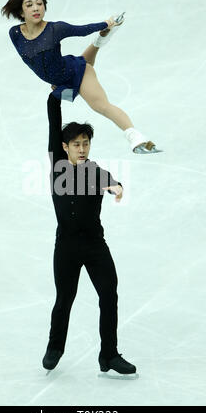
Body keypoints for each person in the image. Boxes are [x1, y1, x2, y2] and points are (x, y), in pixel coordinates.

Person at [42, 89, 137, 376]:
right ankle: (55, 347)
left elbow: (108, 179)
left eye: (86, 143)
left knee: (109, 295)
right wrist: (59, 93)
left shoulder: (94, 170)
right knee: (64, 300)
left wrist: (117, 185)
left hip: (95, 246)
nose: (82, 149)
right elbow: (53, 121)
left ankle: (109, 354)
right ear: (65, 147)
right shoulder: (58, 166)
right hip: (67, 247)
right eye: (76, 144)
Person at [1, 0, 162, 154]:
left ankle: (135, 137)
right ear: (21, 11)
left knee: (100, 105)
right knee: (83, 63)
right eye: (29, 5)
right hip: (60, 81)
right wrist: (54, 81)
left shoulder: (55, 29)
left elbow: (82, 29)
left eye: (39, 3)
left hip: (75, 72)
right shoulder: (15, 33)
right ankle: (100, 40)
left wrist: (106, 24)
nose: (36, 8)